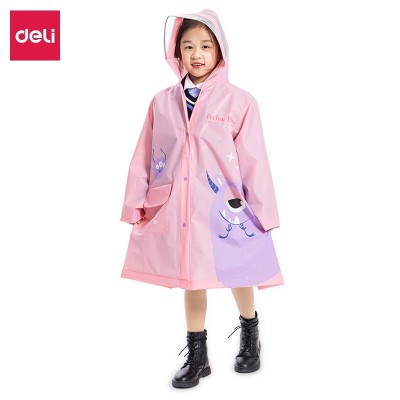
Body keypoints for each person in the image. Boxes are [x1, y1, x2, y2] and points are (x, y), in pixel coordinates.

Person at [119, 9, 284, 388]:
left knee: (239, 270)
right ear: (176, 52)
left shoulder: (240, 102)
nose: (197, 54)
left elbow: (255, 159)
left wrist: (264, 213)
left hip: (227, 209)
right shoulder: (161, 103)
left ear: (220, 51)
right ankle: (198, 355)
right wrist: (135, 202)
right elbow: (144, 155)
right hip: (179, 208)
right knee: (192, 278)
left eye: (206, 46)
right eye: (188, 46)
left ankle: (250, 334)